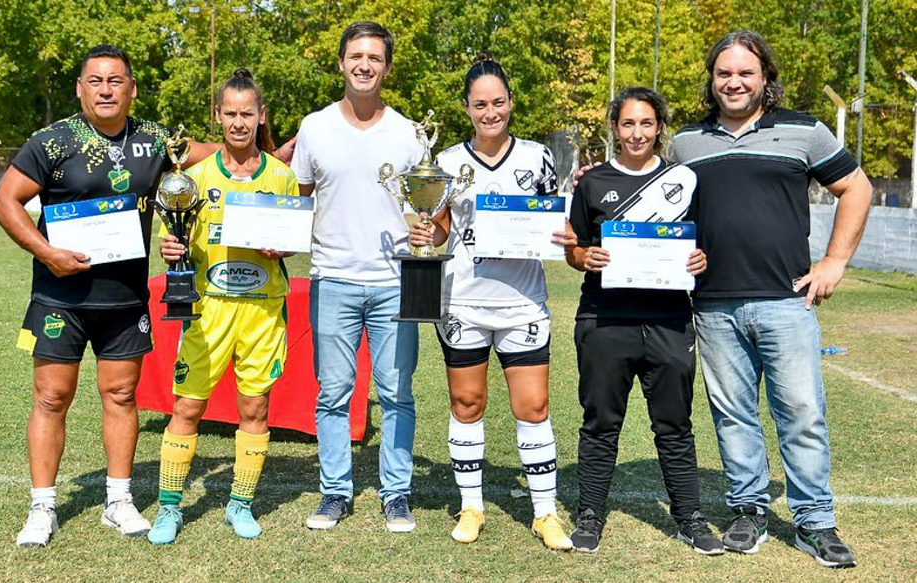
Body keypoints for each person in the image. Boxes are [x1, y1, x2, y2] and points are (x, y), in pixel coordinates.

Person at [0, 44, 218, 548]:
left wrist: (273, 153)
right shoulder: (51, 141)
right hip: (59, 298)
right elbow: (5, 202)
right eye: (95, 81)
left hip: (124, 300)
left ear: (132, 89)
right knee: (51, 398)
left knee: (120, 395)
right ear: (80, 88)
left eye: (116, 81)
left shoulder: (157, 140)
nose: (106, 90)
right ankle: (42, 507)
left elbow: (222, 157)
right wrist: (47, 252)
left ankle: (119, 501)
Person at [671, 30, 872, 567]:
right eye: (724, 73)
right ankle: (748, 511)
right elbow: (663, 213)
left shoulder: (805, 131)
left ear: (765, 78)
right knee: (732, 415)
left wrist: (835, 261)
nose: (734, 82)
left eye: (746, 73)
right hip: (713, 305)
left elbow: (857, 187)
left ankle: (815, 522)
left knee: (802, 414)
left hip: (787, 301)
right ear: (712, 79)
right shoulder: (686, 143)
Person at [408, 54, 572, 550]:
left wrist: (561, 235)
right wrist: (426, 232)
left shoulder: (538, 157)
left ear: (510, 103)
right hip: (464, 301)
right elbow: (442, 229)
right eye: (480, 104)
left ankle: (545, 513)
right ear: (467, 107)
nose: (490, 112)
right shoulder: (447, 163)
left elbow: (552, 220)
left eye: (498, 102)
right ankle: (471, 506)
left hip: (522, 302)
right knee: (467, 403)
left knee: (534, 406)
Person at [556, 87, 722, 555]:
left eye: (646, 123)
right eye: (628, 123)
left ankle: (689, 517)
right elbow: (574, 249)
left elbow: (700, 247)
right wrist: (584, 256)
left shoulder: (683, 181)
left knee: (674, 424)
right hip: (605, 320)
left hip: (669, 321)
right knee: (600, 423)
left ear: (659, 127)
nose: (637, 133)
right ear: (615, 127)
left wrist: (700, 261)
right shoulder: (592, 183)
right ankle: (590, 514)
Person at [145, 69, 299, 545]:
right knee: (188, 405)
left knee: (255, 406)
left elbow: (294, 237)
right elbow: (176, 242)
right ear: (217, 115)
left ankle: (240, 504)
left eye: (246, 114)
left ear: (261, 116)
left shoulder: (282, 176)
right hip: (208, 307)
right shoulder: (191, 179)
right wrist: (172, 249)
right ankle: (169, 507)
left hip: (262, 308)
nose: (238, 122)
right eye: (229, 113)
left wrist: (283, 246)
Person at [290, 21, 423, 533]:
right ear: (342, 62)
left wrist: (428, 230)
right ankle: (335, 492)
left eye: (374, 58)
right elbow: (298, 202)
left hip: (395, 283)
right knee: (333, 393)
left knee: (397, 393)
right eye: (356, 56)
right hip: (332, 279)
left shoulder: (411, 133)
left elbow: (430, 210)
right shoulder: (315, 127)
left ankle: (396, 494)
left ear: (387, 68)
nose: (364, 65)